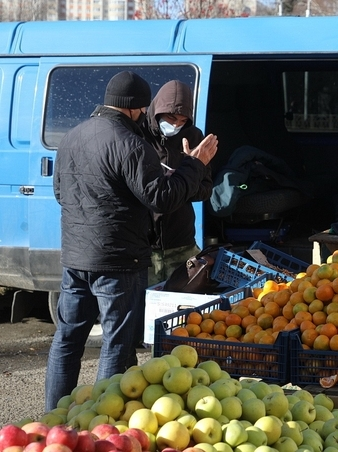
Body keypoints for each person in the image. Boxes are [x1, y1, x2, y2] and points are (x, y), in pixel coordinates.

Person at [45, 71, 218, 411]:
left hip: (75, 258)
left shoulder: (72, 136)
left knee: (67, 340)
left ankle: (53, 414)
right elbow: (161, 198)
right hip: (119, 260)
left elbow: (60, 193)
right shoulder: (130, 143)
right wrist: (194, 164)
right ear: (136, 108)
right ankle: (102, 419)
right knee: (117, 344)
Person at [141, 80, 213, 287]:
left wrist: (182, 180)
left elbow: (206, 189)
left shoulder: (194, 136)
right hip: (144, 246)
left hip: (182, 242)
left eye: (182, 121)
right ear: (157, 111)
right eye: (171, 118)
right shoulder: (138, 134)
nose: (175, 125)